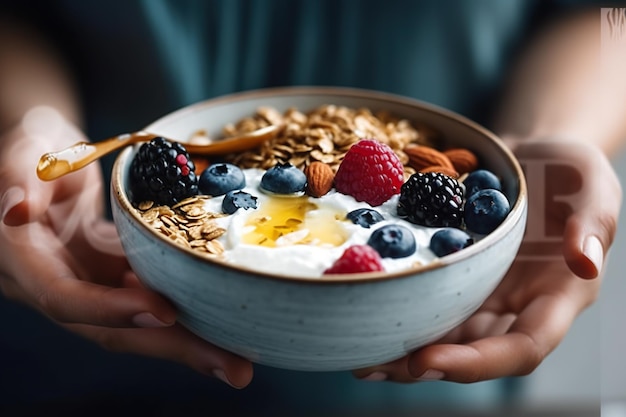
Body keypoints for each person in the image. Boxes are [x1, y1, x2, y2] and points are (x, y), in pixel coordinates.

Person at [0, 0, 623, 415]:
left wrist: (555, 133)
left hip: (442, 343)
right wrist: (27, 123)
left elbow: (607, 16)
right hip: (88, 297)